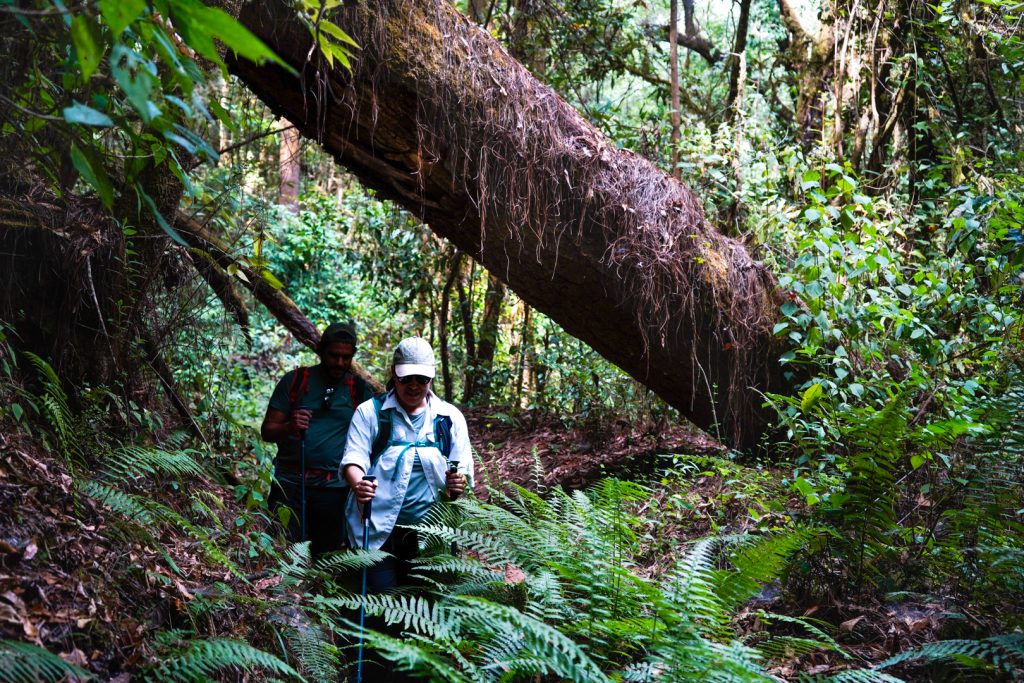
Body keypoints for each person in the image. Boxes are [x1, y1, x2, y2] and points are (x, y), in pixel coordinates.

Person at [342, 336, 473, 592]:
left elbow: (462, 470)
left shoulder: (449, 417)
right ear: (394, 374)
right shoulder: (370, 413)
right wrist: (359, 483)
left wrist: (459, 482)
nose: (414, 386)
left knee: (423, 606)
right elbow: (353, 459)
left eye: (421, 379)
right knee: (381, 604)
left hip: (431, 534)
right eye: (406, 378)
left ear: (431, 378)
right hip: (377, 529)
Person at [260, 322, 375, 557]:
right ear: (321, 351)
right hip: (291, 485)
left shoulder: (359, 390)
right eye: (334, 355)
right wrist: (290, 426)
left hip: (334, 490)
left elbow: (372, 437)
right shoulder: (296, 381)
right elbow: (267, 431)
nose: (340, 363)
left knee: (325, 558)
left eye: (346, 357)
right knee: (282, 553)